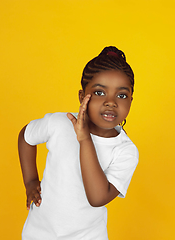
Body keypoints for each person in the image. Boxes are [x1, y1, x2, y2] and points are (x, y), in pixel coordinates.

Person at [18, 46, 139, 239]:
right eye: (100, 93)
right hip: (39, 233)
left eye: (122, 95)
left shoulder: (125, 151)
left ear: (131, 100)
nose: (111, 102)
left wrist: (85, 139)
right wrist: (31, 181)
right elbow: (26, 136)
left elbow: (97, 198)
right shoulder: (59, 124)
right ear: (82, 97)